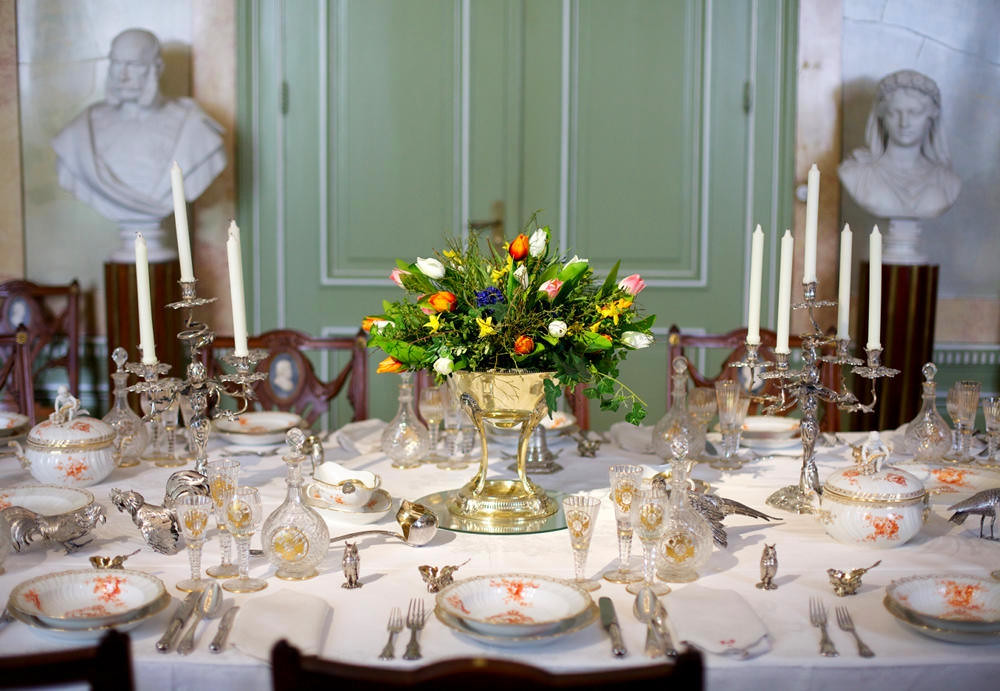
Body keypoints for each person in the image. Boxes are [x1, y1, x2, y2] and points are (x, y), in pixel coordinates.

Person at [51, 29, 226, 261]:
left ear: (157, 68)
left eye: (133, 65)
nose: (122, 76)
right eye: (116, 63)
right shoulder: (80, 132)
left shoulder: (195, 128)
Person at [839, 69, 960, 220]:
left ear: (931, 116)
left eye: (914, 113)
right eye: (895, 112)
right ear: (882, 116)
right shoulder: (856, 174)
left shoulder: (947, 181)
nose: (904, 123)